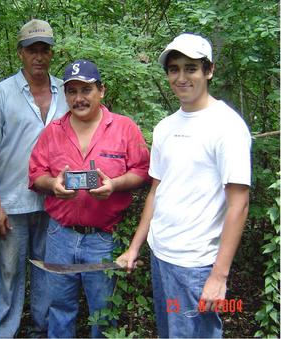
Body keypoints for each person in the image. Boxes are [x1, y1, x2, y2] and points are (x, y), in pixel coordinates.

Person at [116, 33, 251, 338]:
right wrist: (135, 247)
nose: (181, 77)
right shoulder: (166, 127)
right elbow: (156, 192)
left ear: (209, 70)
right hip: (162, 255)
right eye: (174, 69)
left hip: (197, 264)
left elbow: (239, 204)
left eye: (191, 68)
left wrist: (219, 276)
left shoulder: (227, 126)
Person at [28, 60, 149, 337]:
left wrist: (115, 185)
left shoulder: (124, 128)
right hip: (60, 235)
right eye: (72, 91)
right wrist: (53, 184)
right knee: (59, 307)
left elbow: (143, 172)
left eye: (86, 90)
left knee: (104, 312)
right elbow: (35, 175)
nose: (79, 98)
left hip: (104, 238)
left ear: (101, 90)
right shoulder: (53, 132)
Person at [0, 19, 68, 337]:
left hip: (57, 200)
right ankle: (3, 331)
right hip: (11, 199)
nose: (39, 56)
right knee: (7, 271)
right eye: (32, 49)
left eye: (44, 49)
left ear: (51, 53)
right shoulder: (0, 95)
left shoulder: (65, 92)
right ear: (20, 53)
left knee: (48, 268)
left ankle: (42, 328)